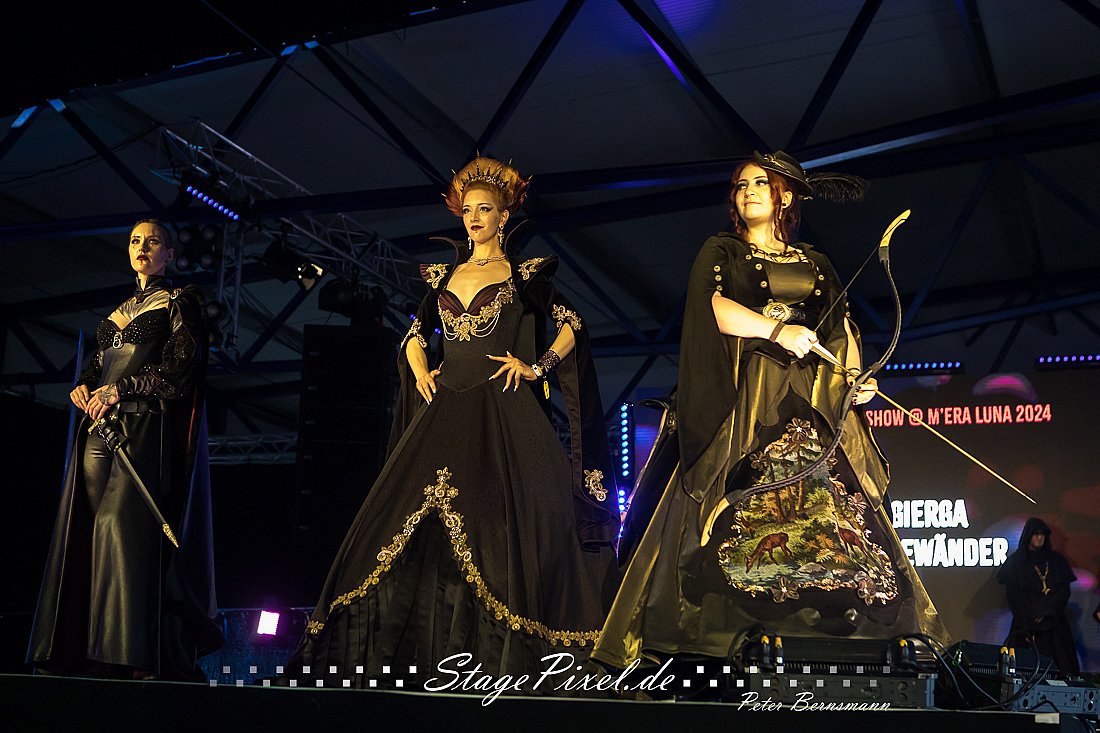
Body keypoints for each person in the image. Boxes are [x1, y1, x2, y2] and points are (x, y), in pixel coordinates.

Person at [592, 151, 947, 674]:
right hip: (743, 396)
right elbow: (710, 307)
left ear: (787, 196)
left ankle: (839, 634)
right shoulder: (722, 250)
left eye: (761, 183)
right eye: (740, 185)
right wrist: (778, 331)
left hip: (808, 397)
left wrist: (854, 377)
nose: (748, 191)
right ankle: (715, 634)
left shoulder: (815, 262)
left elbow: (839, 329)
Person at [283, 157, 619, 688]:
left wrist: (537, 367)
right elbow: (414, 336)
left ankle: (509, 667)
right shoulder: (444, 276)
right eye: (468, 210)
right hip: (445, 409)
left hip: (504, 412)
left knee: (505, 530)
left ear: (504, 216)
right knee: (397, 527)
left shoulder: (525, 275)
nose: (475, 218)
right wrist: (420, 370)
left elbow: (573, 325)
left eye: (485, 209)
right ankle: (417, 663)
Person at [28, 219, 221, 681]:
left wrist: (122, 388)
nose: (142, 247)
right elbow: (97, 366)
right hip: (99, 428)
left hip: (144, 426)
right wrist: (83, 386)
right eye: (135, 240)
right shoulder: (118, 310)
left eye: (153, 241)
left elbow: (182, 369)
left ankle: (133, 655)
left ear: (169, 254)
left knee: (122, 527)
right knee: (93, 531)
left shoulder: (180, 300)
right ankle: (93, 652)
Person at [997, 517, 1080, 678]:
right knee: (1022, 669)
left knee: (1062, 667)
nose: (1039, 538)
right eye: (1035, 534)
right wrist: (1033, 613)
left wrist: (1046, 611)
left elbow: (1063, 592)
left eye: (1042, 534)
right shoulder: (1016, 562)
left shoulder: (1056, 561)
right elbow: (1013, 595)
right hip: (1026, 624)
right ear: (1029, 535)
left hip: (1054, 624)